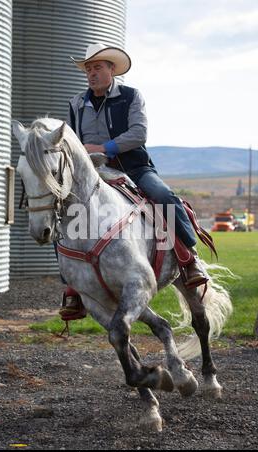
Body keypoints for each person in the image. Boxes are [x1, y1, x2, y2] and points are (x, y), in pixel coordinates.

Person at [61, 43, 207, 318]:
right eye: (88, 69)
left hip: (134, 168)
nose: (91, 74)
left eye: (97, 68)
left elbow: (139, 133)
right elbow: (73, 139)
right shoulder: (77, 102)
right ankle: (73, 287)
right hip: (93, 173)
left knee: (164, 197)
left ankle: (189, 260)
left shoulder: (130, 96)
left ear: (111, 69)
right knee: (65, 214)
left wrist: (105, 148)